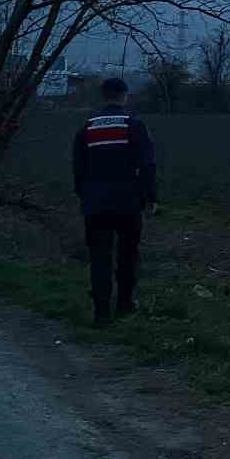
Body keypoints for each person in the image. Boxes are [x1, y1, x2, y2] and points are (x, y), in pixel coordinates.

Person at [72, 77, 157, 327]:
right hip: (127, 202)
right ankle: (125, 303)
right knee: (128, 254)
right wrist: (150, 197)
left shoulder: (87, 128)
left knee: (99, 256)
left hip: (95, 203)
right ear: (124, 96)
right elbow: (147, 165)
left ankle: (101, 313)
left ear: (103, 96)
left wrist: (83, 196)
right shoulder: (134, 125)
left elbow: (78, 168)